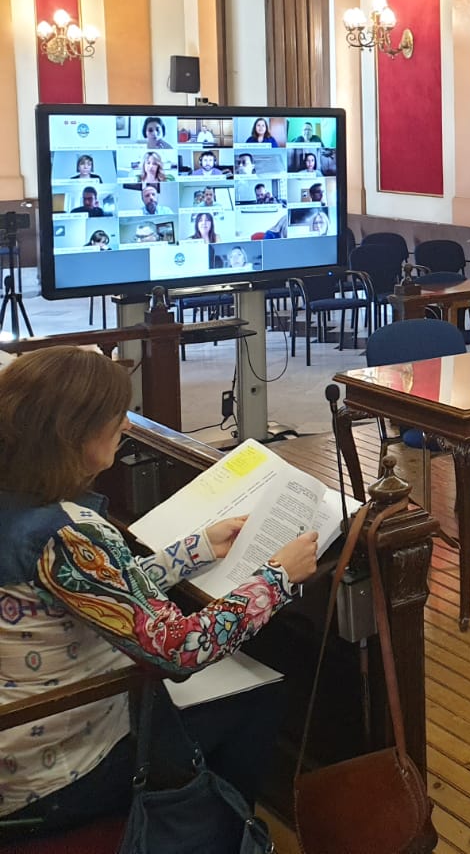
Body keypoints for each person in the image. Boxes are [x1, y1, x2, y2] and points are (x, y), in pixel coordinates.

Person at [0, 348, 318, 838]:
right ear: (73, 434)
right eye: (115, 415)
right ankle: (213, 833)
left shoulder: (22, 509)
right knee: (256, 699)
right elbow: (181, 649)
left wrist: (195, 549)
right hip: (48, 777)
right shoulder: (66, 534)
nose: (126, 425)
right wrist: (277, 577)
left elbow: (98, 591)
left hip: (14, 740)